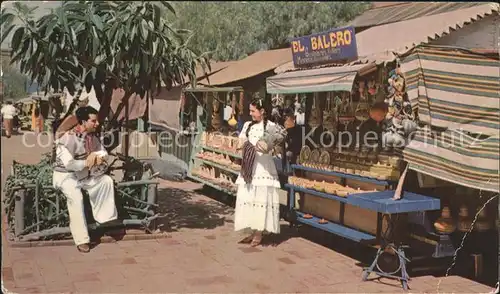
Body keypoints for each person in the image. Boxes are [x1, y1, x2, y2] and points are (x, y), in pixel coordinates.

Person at [53, 106, 118, 253]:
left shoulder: (91, 137)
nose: (97, 124)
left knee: (106, 181)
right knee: (76, 198)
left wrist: (98, 156)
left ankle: (104, 221)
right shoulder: (66, 138)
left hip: (83, 176)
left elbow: (104, 153)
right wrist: (88, 162)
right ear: (83, 121)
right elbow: (69, 164)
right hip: (65, 176)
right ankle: (82, 240)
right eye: (93, 121)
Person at [234, 99, 282, 247]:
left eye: (253, 111)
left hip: (264, 169)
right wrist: (245, 146)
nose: (250, 114)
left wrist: (270, 148)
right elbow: (240, 142)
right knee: (249, 198)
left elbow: (278, 149)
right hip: (250, 168)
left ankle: (258, 233)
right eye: (250, 111)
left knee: (260, 199)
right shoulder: (248, 126)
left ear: (262, 111)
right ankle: (252, 230)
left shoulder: (272, 127)